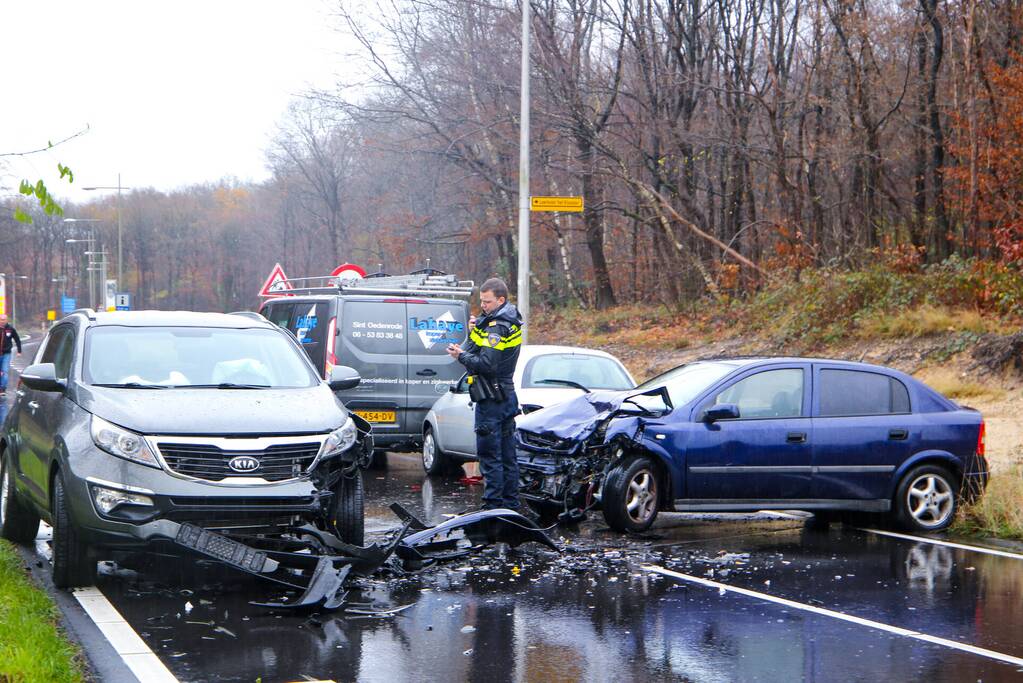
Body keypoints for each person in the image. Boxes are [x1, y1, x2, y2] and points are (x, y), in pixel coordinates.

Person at [446, 278, 523, 510]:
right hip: (505, 395)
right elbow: (474, 347)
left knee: (491, 457)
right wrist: (474, 331)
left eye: (487, 302)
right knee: (507, 456)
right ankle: (510, 506)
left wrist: (461, 356)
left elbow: (487, 364)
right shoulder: (504, 321)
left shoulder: (497, 326)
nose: (483, 306)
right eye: (481, 301)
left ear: (500, 300)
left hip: (492, 398)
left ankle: (493, 508)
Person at [0, 314, 22, 395]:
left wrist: (19, 351)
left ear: (6, 320)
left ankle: (2, 389)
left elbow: (17, 339)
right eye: (1, 319)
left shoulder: (10, 329)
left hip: (6, 354)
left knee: (4, 371)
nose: (3, 321)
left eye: (4, 319)